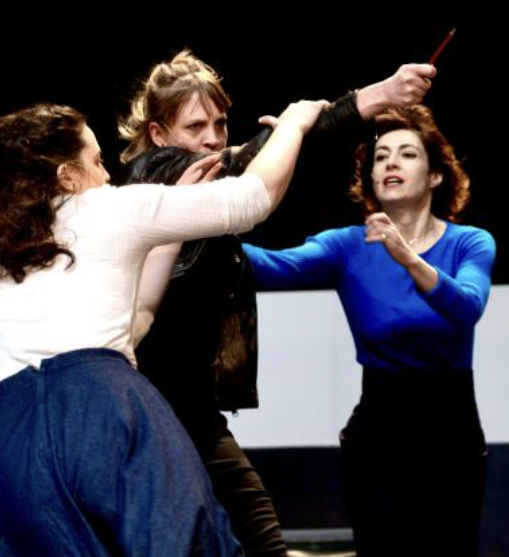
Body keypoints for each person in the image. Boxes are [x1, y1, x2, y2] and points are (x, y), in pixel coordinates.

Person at [0, 98, 326, 557]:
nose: (108, 175)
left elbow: (133, 322)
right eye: (96, 162)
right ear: (66, 176)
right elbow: (254, 197)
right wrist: (294, 125)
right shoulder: (108, 207)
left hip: (9, 438)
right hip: (100, 409)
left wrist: (170, 233)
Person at [117, 50, 436, 556]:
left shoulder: (204, 186)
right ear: (158, 134)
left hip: (192, 410)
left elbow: (268, 154)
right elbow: (257, 165)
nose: (212, 138)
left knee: (255, 540)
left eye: (220, 123)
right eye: (195, 126)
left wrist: (360, 104)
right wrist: (333, 111)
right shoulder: (153, 175)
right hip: (148, 409)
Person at [243, 105, 495, 557]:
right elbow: (272, 267)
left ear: (436, 176)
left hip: (450, 429)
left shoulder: (470, 242)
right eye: (381, 157)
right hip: (379, 429)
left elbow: (466, 308)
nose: (391, 163)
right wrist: (193, 225)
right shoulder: (347, 245)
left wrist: (407, 257)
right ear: (372, 177)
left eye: (407, 154)